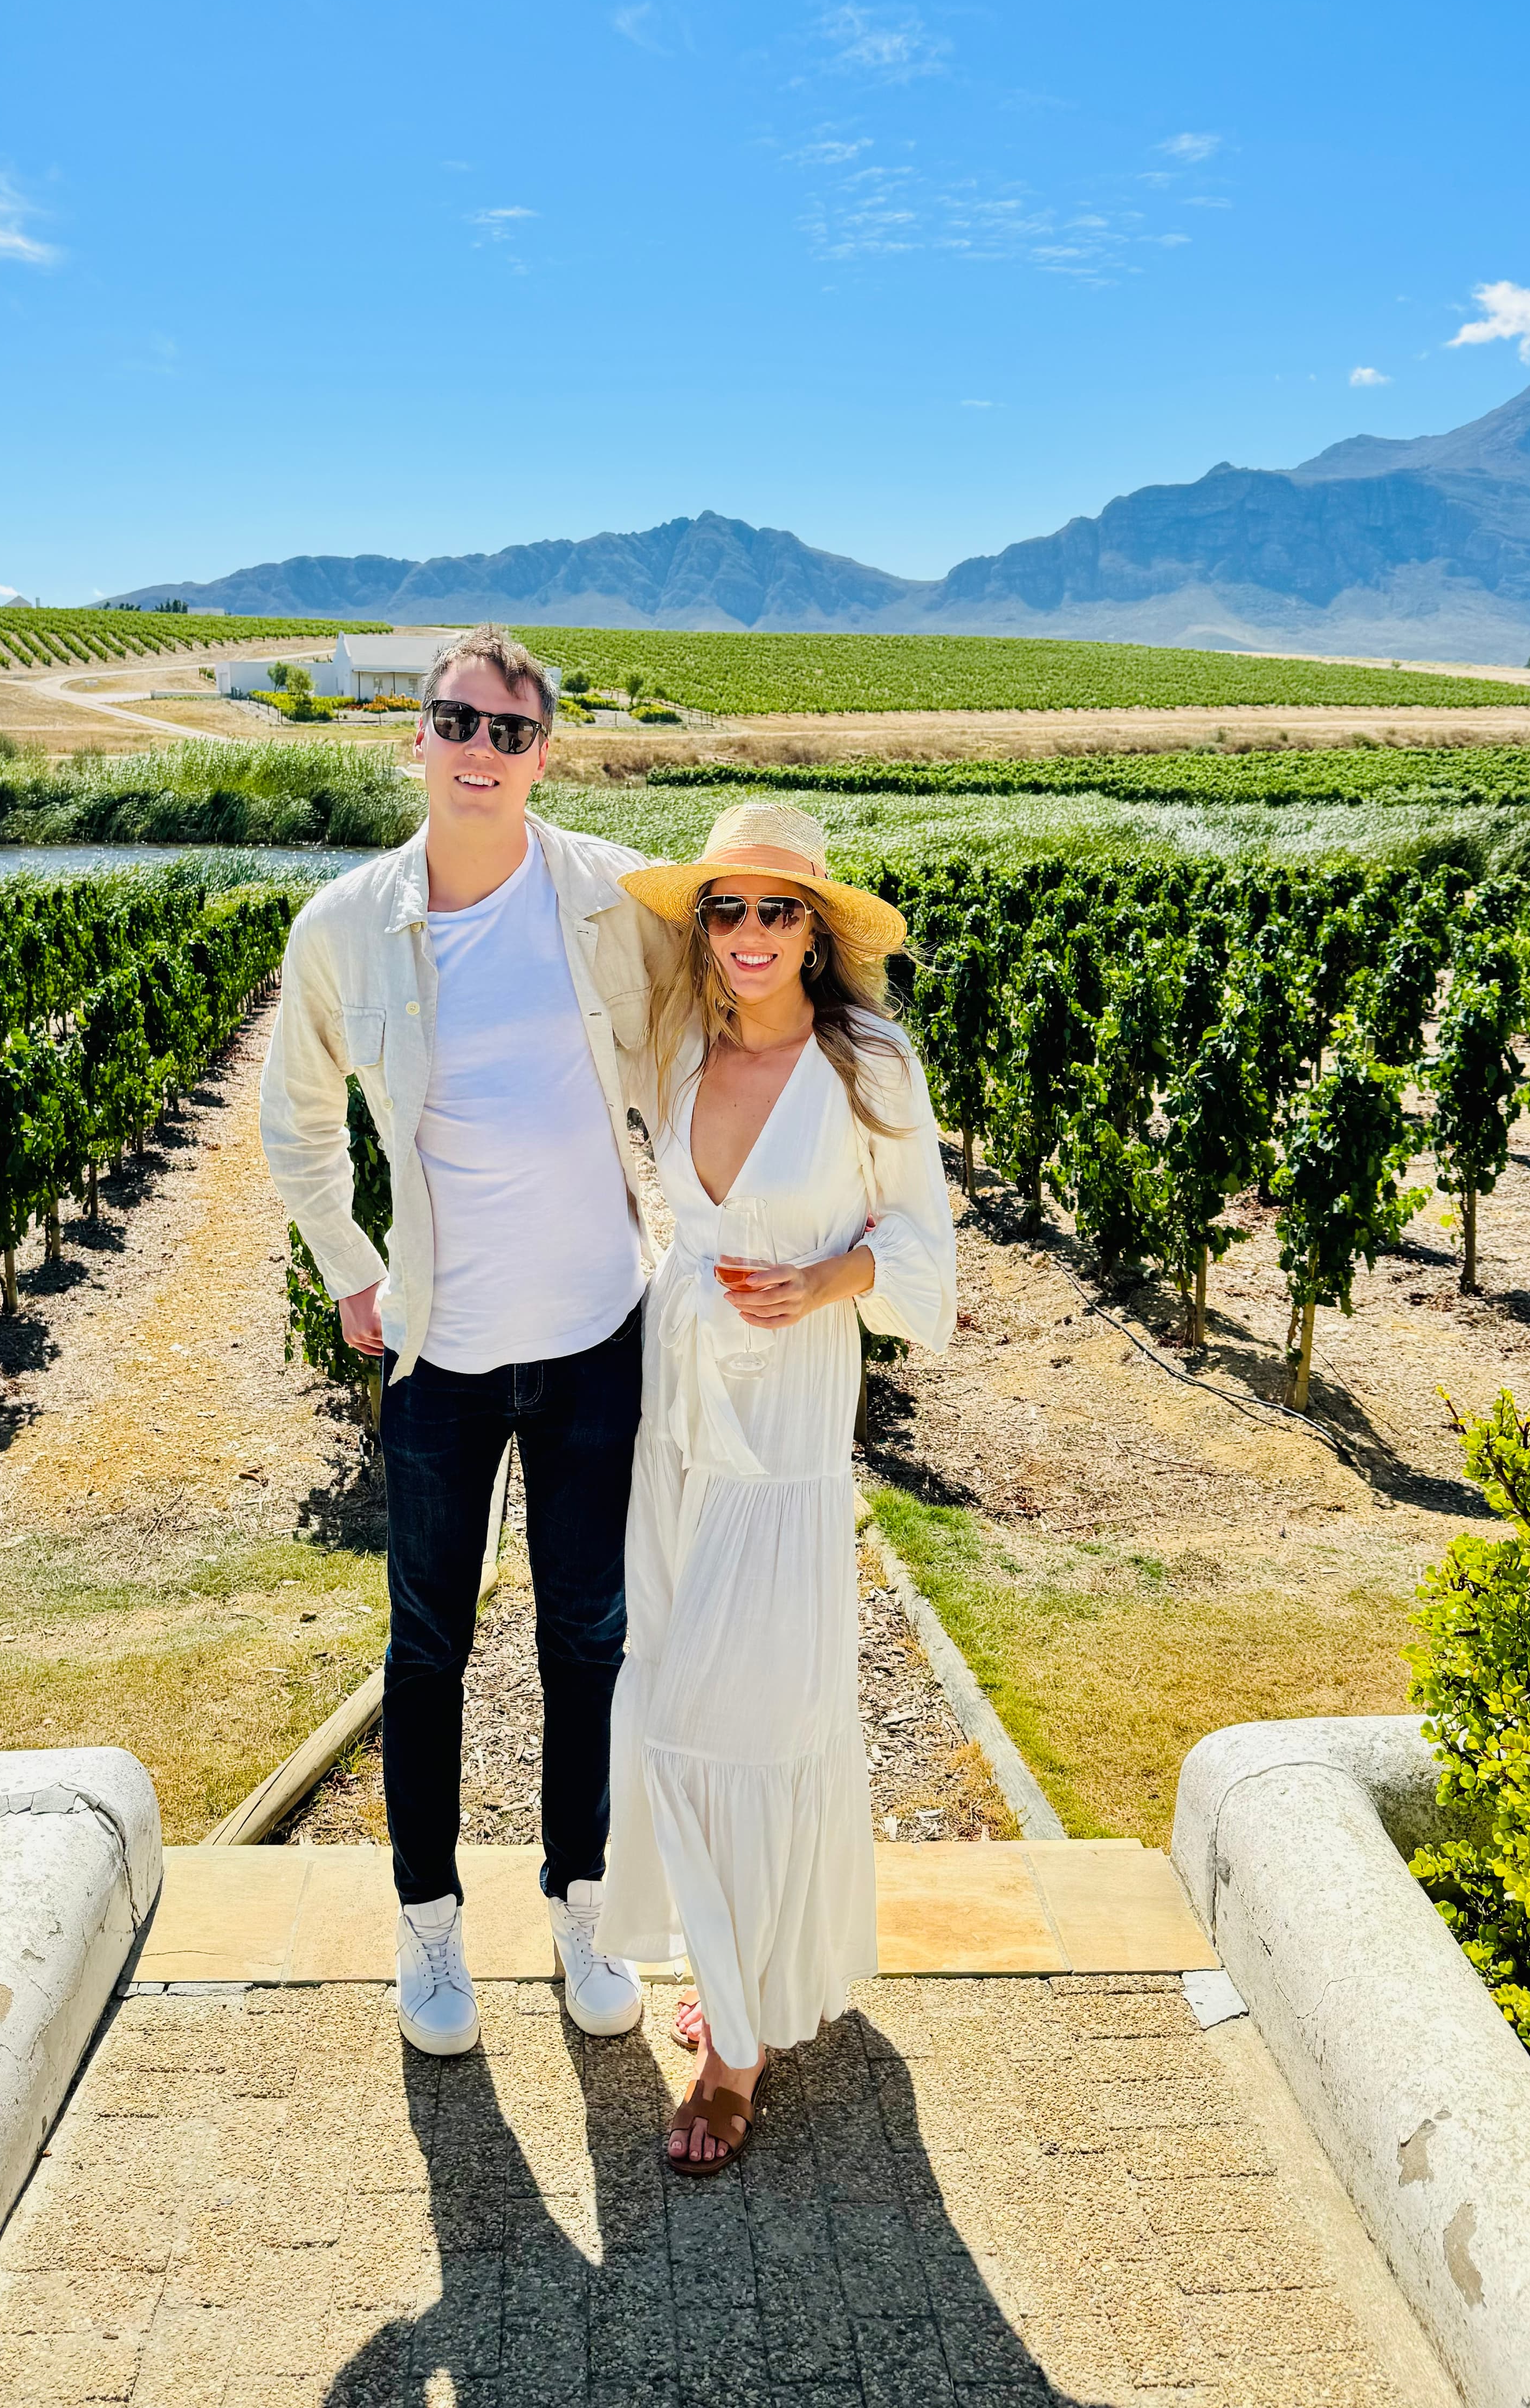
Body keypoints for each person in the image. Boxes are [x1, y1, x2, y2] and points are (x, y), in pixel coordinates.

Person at [260, 624, 674, 2057]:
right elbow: (295, 1121)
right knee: (425, 1650)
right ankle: (429, 1930)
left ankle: (583, 1907)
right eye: (458, 723)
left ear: (543, 755)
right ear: (415, 739)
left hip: (593, 1342)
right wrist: (350, 1262)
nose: (481, 752)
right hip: (438, 1355)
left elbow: (741, 983)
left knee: (588, 1643)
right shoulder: (347, 928)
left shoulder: (610, 897)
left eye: (509, 732)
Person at [596, 800, 957, 2174]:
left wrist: (833, 1276)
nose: (750, 932)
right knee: (677, 1690)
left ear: (819, 931)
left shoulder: (871, 1064)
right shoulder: (676, 1044)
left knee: (731, 1712)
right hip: (676, 1417)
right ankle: (740, 1966)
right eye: (727, 908)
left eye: (779, 908)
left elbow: (927, 1255)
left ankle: (735, 2057)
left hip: (791, 1419)